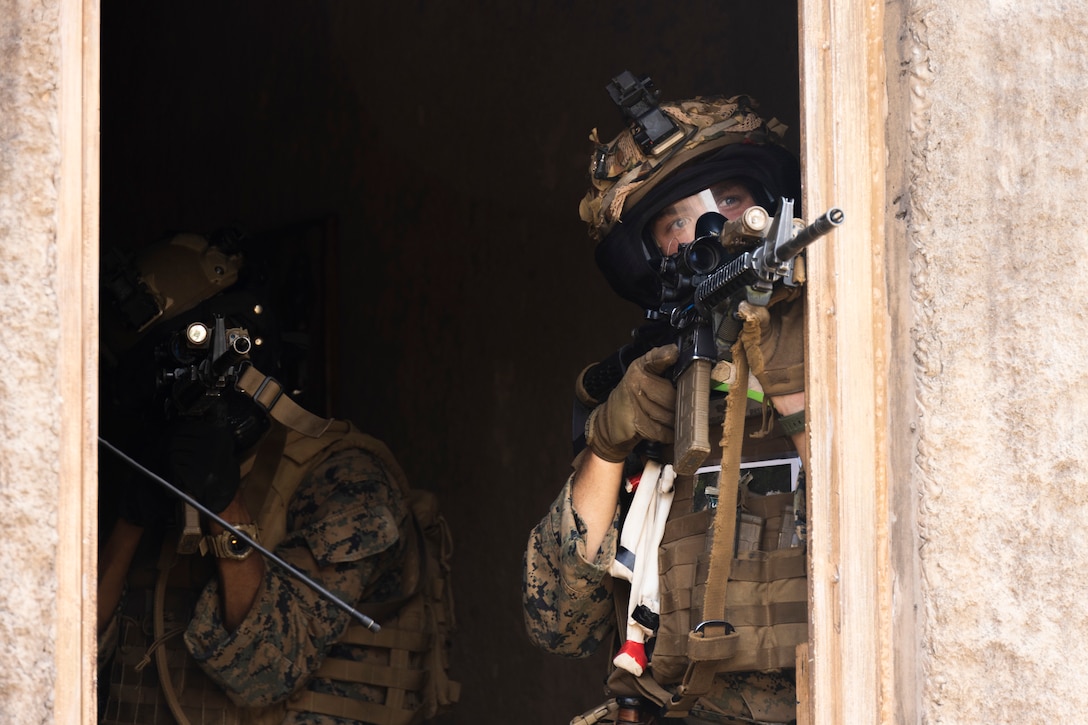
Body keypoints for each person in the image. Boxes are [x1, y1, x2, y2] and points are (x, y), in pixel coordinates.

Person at [523, 80, 811, 724]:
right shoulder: (657, 378)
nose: (709, 227)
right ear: (654, 255)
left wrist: (796, 399)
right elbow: (557, 625)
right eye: (676, 222)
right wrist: (607, 444)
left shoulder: (845, 351)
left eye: (728, 200)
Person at [97, 232, 457, 724]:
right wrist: (128, 520)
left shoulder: (348, 481)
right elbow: (61, 665)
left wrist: (223, 505)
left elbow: (265, 672)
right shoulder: (142, 471)